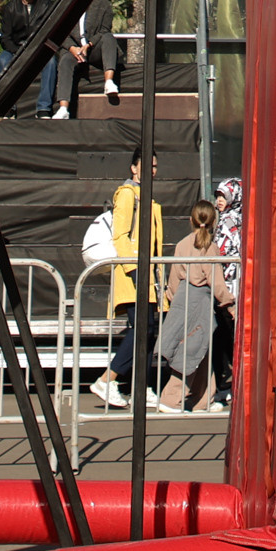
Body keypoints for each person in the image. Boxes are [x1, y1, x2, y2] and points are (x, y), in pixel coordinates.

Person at [91, 147, 164, 408]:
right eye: (147, 165)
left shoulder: (147, 198)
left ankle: (141, 387)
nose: (152, 171)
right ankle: (106, 379)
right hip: (133, 273)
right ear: (134, 168)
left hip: (147, 275)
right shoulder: (127, 195)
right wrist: (134, 269)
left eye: (154, 166)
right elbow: (120, 235)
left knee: (148, 330)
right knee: (142, 329)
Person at [157, 198, 234, 413]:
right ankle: (170, 398)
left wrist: (172, 300)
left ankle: (202, 400)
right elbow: (216, 282)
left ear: (191, 219)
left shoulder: (182, 244)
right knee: (191, 352)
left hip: (182, 298)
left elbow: (173, 280)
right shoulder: (210, 248)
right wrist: (229, 302)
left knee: (197, 350)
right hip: (201, 301)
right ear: (213, 222)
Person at [38, 0, 119, 120]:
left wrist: (89, 45)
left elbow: (104, 29)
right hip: (73, 49)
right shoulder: (66, 4)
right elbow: (60, 31)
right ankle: (63, 108)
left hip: (93, 47)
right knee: (65, 62)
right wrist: (72, 48)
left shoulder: (102, 3)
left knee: (108, 38)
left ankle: (109, 82)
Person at [211, 175, 244, 410]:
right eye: (218, 195)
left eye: (224, 195)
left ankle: (228, 384)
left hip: (228, 283)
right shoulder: (236, 218)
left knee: (225, 335)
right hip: (230, 282)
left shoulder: (229, 221)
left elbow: (223, 250)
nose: (219, 200)